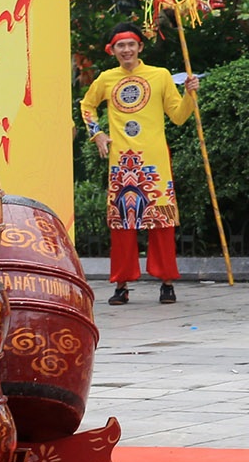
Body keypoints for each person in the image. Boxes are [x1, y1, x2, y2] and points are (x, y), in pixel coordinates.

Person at [79, 21, 197, 306]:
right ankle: (121, 285)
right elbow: (86, 105)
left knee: (162, 223)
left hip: (154, 161)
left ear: (140, 47)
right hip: (122, 162)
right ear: (111, 50)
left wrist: (190, 94)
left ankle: (167, 282)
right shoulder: (106, 78)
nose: (127, 50)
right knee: (121, 225)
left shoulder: (160, 75)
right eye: (120, 45)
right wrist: (97, 134)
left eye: (131, 44)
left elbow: (178, 116)